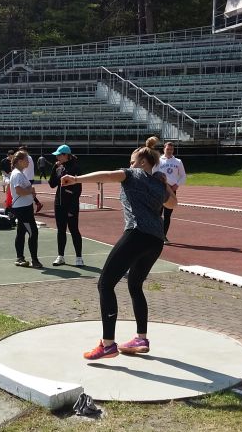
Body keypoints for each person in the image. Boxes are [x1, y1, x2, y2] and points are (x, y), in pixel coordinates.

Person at [61, 137, 177, 360]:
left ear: (142, 162)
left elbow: (107, 175)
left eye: (132, 161)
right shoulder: (157, 183)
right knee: (135, 285)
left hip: (137, 234)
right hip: (156, 241)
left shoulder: (132, 174)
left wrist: (75, 179)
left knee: (105, 284)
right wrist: (165, 185)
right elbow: (173, 204)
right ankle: (141, 339)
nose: (129, 165)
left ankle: (108, 344)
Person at [48, 144, 84, 267]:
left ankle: (79, 257)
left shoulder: (75, 168)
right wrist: (54, 168)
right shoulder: (59, 167)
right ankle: (60, 256)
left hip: (71, 204)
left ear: (65, 155)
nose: (57, 157)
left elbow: (78, 190)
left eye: (59, 155)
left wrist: (72, 208)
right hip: (59, 204)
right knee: (61, 230)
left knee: (74, 230)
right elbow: (52, 184)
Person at [9, 150, 42, 269]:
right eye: (26, 160)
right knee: (33, 232)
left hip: (24, 207)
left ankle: (20, 258)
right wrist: (30, 191)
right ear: (20, 161)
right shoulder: (17, 174)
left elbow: (23, 190)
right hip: (22, 209)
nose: (28, 162)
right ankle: (34, 260)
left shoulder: (20, 173)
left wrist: (31, 193)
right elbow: (19, 191)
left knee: (21, 232)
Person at [154, 141, 186, 243]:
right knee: (157, 213)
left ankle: (163, 236)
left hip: (171, 190)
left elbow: (183, 175)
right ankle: (155, 234)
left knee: (167, 215)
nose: (169, 151)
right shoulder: (158, 161)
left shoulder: (178, 161)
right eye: (168, 149)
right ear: (164, 149)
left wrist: (177, 185)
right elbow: (153, 173)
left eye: (171, 149)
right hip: (160, 189)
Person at [17, 145, 43, 213]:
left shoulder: (27, 157)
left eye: (21, 151)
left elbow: (22, 167)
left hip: (28, 178)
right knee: (28, 192)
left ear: (25, 151)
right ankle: (37, 203)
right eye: (19, 151)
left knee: (27, 193)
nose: (20, 152)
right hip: (28, 177)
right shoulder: (27, 157)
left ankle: (32, 206)